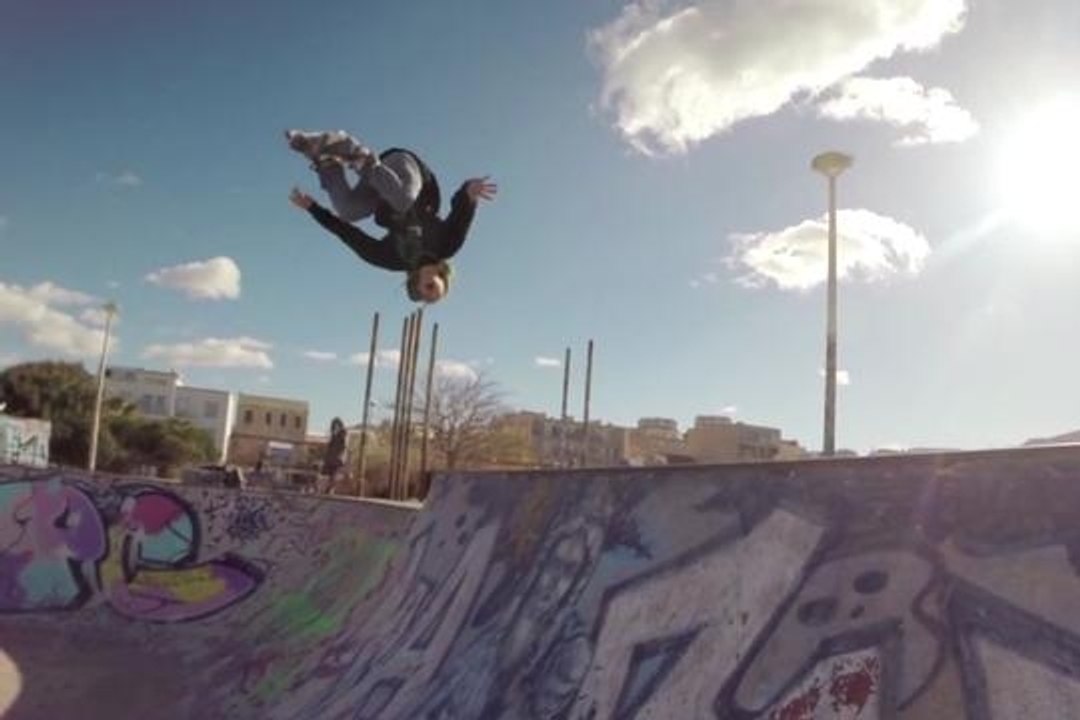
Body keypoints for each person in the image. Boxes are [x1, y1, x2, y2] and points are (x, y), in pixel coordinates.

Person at [285, 129, 497, 303]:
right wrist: (468, 192)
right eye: (433, 291)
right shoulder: (448, 246)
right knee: (404, 200)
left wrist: (312, 208)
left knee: (349, 211)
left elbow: (349, 235)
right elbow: (462, 214)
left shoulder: (391, 259)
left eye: (423, 292)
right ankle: (352, 151)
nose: (427, 291)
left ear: (414, 283)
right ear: (444, 281)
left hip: (379, 183)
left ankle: (326, 160)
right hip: (408, 169)